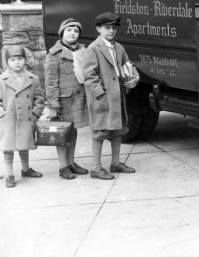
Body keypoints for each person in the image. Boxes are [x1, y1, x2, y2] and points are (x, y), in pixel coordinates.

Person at [81, 12, 139, 180]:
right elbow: (89, 75)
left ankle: (115, 163)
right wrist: (100, 94)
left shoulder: (119, 47)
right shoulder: (93, 48)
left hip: (117, 97)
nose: (111, 31)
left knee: (118, 130)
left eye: (114, 28)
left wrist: (134, 78)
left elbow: (128, 65)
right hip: (102, 98)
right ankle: (96, 168)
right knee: (100, 132)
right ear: (98, 29)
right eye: (107, 28)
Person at [45, 18, 89, 180]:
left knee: (74, 131)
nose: (72, 33)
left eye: (76, 31)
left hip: (78, 98)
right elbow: (50, 81)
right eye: (69, 30)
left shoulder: (82, 52)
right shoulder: (54, 54)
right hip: (63, 100)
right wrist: (52, 104)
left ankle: (71, 162)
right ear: (62, 33)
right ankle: (63, 166)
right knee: (61, 132)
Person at [0, 45, 45, 188]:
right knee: (8, 147)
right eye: (12, 59)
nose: (17, 62)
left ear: (25, 60)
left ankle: (26, 169)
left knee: (23, 144)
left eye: (20, 59)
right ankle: (9, 174)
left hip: (26, 117)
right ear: (7, 62)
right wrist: (2, 114)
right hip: (9, 119)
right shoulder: (2, 79)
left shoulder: (33, 78)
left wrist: (35, 115)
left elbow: (39, 99)